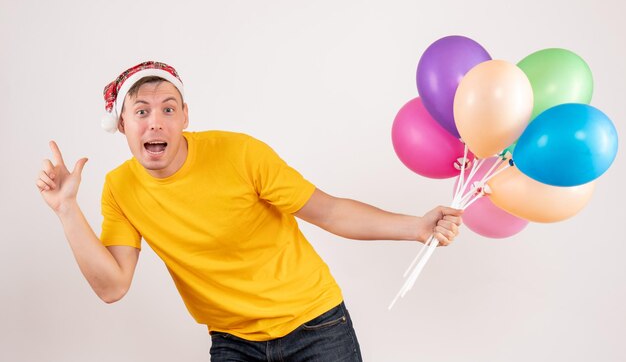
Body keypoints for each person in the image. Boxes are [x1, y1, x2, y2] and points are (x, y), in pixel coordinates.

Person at [36, 61, 462, 361]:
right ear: (123, 125)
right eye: (141, 112)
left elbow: (328, 211)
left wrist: (417, 227)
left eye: (168, 108)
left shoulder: (240, 153)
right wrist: (67, 210)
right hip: (233, 343)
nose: (155, 122)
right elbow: (112, 287)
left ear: (185, 116)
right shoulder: (120, 188)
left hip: (315, 326)